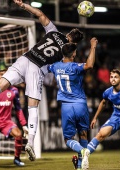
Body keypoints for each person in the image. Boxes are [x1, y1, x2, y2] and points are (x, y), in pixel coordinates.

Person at [0, 0, 84, 161]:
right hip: (37, 68)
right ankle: (30, 143)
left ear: (68, 33)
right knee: (33, 107)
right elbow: (68, 62)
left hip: (25, 58)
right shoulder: (69, 49)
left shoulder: (54, 31)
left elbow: (40, 14)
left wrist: (23, 5)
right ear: (75, 42)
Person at [48, 38, 98, 170]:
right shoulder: (75, 67)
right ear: (74, 54)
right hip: (80, 104)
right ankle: (81, 164)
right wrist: (92, 47)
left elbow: (45, 66)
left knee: (68, 139)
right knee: (83, 134)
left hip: (67, 106)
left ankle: (82, 151)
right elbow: (90, 65)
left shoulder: (55, 66)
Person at [81, 69, 120, 170]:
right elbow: (103, 103)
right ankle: (85, 157)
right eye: (111, 77)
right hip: (116, 117)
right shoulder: (107, 92)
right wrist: (95, 118)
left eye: (116, 77)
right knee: (101, 134)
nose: (113, 79)